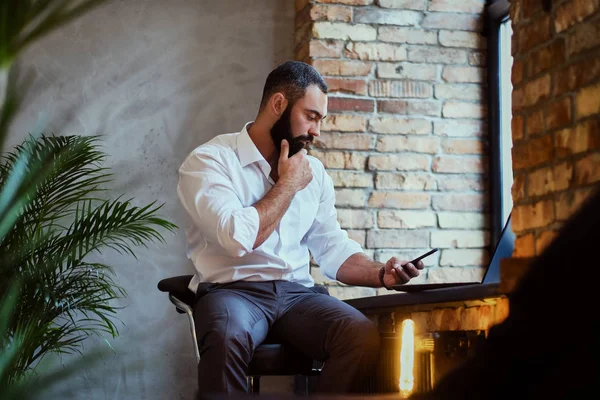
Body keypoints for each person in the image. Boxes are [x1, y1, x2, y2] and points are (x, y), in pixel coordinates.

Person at [176, 61, 425, 396]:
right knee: (225, 335)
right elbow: (238, 238)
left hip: (295, 295)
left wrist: (382, 273)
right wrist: (288, 185)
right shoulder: (210, 162)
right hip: (234, 291)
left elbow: (331, 247)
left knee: (359, 336)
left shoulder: (315, 173)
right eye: (311, 116)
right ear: (279, 105)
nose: (316, 131)